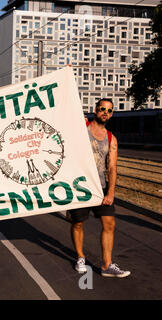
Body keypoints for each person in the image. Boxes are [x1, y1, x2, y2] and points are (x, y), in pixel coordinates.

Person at [69, 98, 130, 278]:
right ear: (95, 110)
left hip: (100, 187)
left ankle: (106, 265)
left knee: (109, 223)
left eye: (109, 111)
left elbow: (112, 167)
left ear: (111, 114)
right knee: (77, 223)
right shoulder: (82, 126)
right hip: (80, 186)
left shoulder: (111, 138)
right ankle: (80, 257)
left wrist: (111, 192)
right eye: (102, 109)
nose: (105, 112)